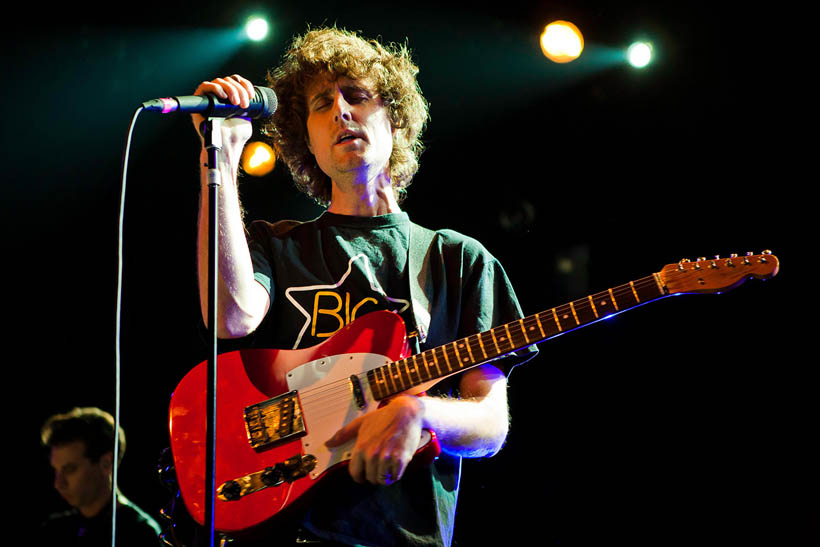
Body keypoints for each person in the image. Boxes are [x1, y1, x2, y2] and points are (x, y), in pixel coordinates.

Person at [192, 27, 537, 546]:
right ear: (304, 140)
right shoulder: (275, 244)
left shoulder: (457, 260)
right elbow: (229, 316)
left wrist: (418, 410)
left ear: (394, 118)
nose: (340, 111)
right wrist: (218, 158)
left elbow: (489, 426)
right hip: (283, 525)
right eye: (320, 105)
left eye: (357, 95)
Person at [40, 407, 162, 546]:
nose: (58, 483)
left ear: (106, 464)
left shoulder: (140, 534)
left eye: (70, 469)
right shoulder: (55, 531)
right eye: (56, 470)